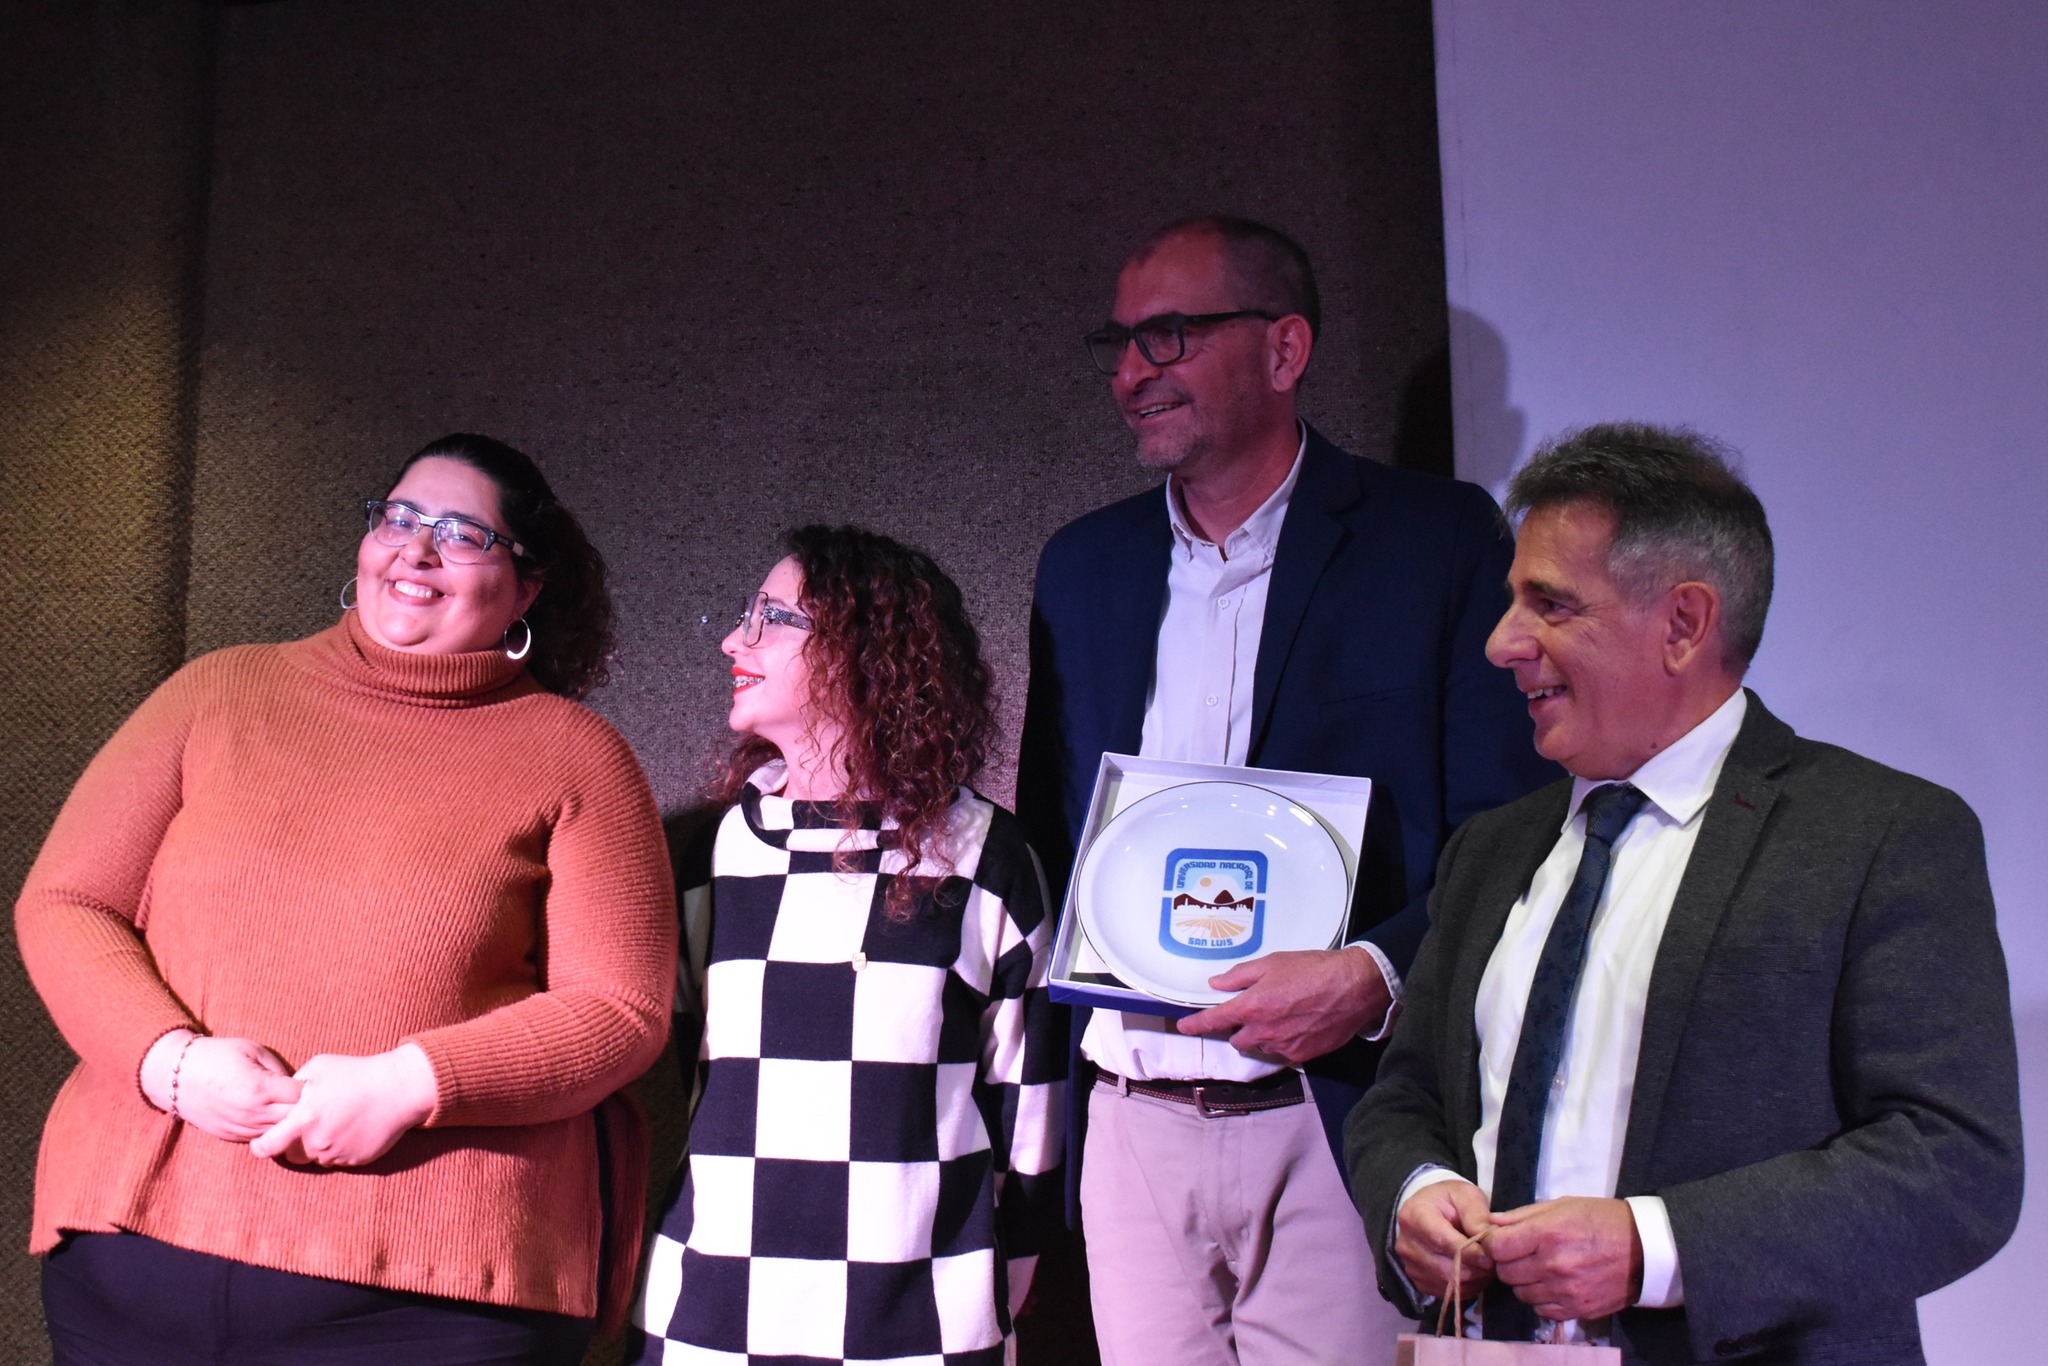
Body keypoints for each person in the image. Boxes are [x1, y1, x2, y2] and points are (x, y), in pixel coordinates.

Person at [1346, 424, 2023, 1364]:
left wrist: (1653, 1249)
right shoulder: (1491, 852)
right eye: (1512, 602)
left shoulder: (1882, 836)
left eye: (1550, 604)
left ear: (1684, 625)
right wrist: (1412, 1193)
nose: (1502, 643)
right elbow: (1404, 1096)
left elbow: (1955, 1167)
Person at [1015, 215, 1555, 1364]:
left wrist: (1375, 974)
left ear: (1283, 347)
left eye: (1167, 335)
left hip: (1337, 1114)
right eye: (1119, 343)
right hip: (1130, 1118)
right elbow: (1054, 838)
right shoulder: (1081, 567)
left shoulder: (1432, 540)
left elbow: (1510, 829)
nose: (1130, 372)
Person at [17, 433, 678, 1364]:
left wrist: (411, 1085)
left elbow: (620, 1009)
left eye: (464, 533)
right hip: (140, 1257)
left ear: (528, 585)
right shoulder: (217, 692)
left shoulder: (576, 756)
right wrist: (171, 1063)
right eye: (399, 518)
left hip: (429, 1302)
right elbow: (68, 901)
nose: (417, 549)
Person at [628, 525, 1064, 1366]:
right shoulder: (714, 854)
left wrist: (1001, 1281)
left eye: (770, 618)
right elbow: (699, 1080)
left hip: (919, 1322)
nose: (733, 642)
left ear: (863, 651)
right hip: (713, 1312)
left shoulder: (984, 857)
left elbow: (1032, 1109)